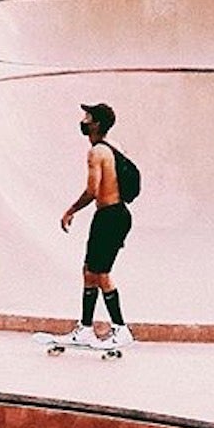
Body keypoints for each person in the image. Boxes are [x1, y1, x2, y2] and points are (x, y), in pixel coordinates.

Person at [56, 102, 134, 347]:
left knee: (101, 274)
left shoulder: (96, 153)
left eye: (88, 116)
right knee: (89, 271)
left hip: (110, 216)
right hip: (114, 215)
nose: (83, 119)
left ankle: (121, 330)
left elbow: (92, 191)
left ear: (96, 123)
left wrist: (70, 210)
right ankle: (86, 329)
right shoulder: (114, 147)